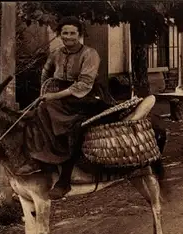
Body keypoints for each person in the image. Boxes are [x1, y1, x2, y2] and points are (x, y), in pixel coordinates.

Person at [15, 16, 114, 200]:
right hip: (58, 97)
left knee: (73, 128)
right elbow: (46, 71)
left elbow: (84, 84)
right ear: (60, 34)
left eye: (72, 33)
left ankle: (65, 180)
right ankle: (42, 165)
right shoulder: (56, 53)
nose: (68, 37)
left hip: (86, 98)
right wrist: (45, 89)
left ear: (80, 34)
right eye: (65, 33)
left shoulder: (90, 54)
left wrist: (54, 96)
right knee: (38, 117)